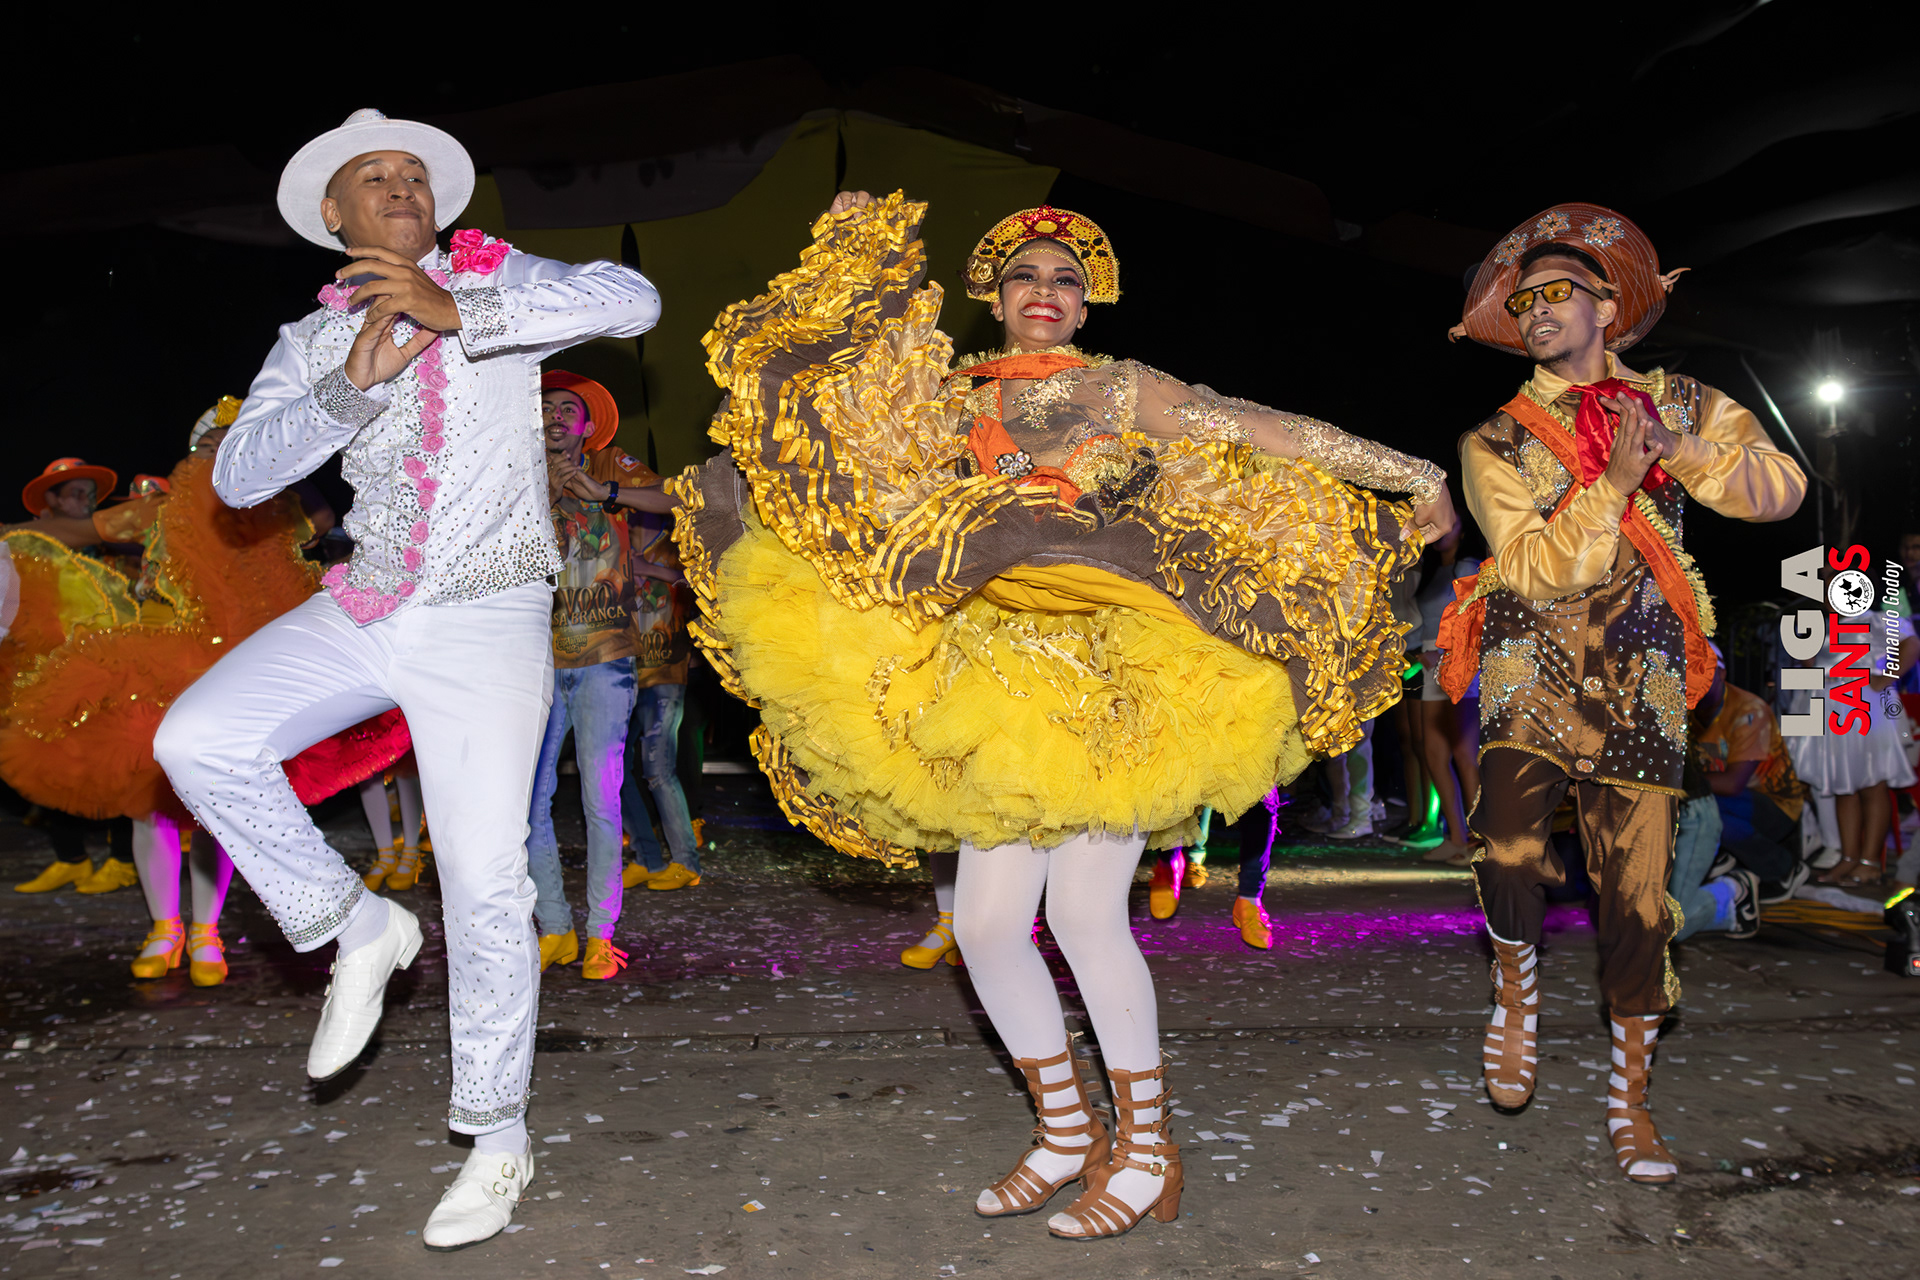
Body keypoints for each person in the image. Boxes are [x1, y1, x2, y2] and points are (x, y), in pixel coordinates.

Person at [676, 192, 1449, 1238]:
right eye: (1026, 277)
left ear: (1087, 306)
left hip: (1117, 671)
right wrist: (854, 269)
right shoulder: (939, 398)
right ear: (995, 297)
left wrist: (1411, 473)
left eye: (1066, 280)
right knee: (986, 925)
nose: (1045, 292)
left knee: (1086, 914)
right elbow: (837, 454)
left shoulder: (1119, 388)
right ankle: (1067, 1132)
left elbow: (1266, 429)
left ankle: (1150, 1150)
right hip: (988, 673)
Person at [149, 109, 660, 1251]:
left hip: (488, 612)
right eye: (373, 178)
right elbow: (238, 478)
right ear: (333, 214)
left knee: (484, 882)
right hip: (369, 602)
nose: (400, 189)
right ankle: (352, 921)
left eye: (415, 175)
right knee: (197, 739)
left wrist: (461, 311)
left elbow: (633, 300)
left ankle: (496, 1137)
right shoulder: (307, 337)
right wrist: (350, 385)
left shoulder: (495, 276)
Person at [1440, 204, 1805, 1183]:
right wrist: (1612, 483)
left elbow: (1781, 488)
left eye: (1557, 292)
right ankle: (1515, 988)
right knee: (1506, 843)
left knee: (1638, 901)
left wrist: (1675, 448)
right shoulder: (1494, 438)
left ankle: (1630, 1099)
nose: (1536, 310)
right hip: (1532, 656)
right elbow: (1530, 567)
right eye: (1523, 301)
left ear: (1607, 306)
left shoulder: (1681, 400)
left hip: (1645, 666)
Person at [0, 402, 409, 986]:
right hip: (162, 664)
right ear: (195, 452)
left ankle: (205, 932)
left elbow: (321, 516)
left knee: (217, 804)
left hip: (237, 666)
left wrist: (287, 458)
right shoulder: (164, 510)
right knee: (152, 810)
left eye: (238, 439)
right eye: (213, 443)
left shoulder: (270, 507)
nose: (225, 451)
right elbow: (81, 531)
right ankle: (164, 928)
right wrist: (12, 533)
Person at [525, 370, 671, 977]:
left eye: (569, 409)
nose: (556, 416)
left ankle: (599, 935)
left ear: (587, 427)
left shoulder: (614, 464)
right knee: (527, 805)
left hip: (605, 658)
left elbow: (674, 498)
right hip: (534, 661)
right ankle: (555, 928)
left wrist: (605, 491)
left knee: (600, 800)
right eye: (546, 407)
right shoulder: (514, 471)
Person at [9, 458, 141, 897]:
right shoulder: (29, 542)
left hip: (108, 666)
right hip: (48, 666)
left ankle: (123, 860)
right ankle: (71, 858)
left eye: (90, 494)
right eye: (75, 493)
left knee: (117, 760)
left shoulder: (107, 539)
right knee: (48, 760)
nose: (87, 501)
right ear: (51, 502)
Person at [615, 476, 703, 895]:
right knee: (614, 769)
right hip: (625, 674)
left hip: (666, 675)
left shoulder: (675, 546)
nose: (634, 511)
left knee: (659, 770)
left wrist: (650, 570)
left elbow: (700, 586)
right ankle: (647, 858)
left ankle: (686, 862)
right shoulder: (616, 546)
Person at [1414, 513, 1481, 864]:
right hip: (1430, 666)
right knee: (1434, 754)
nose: (1442, 529)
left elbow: (1474, 621)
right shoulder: (1430, 570)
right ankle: (1456, 837)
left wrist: (1446, 656)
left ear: (1462, 530)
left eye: (1451, 522)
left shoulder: (1466, 566)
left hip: (1458, 663)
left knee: (1465, 756)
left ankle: (1478, 841)